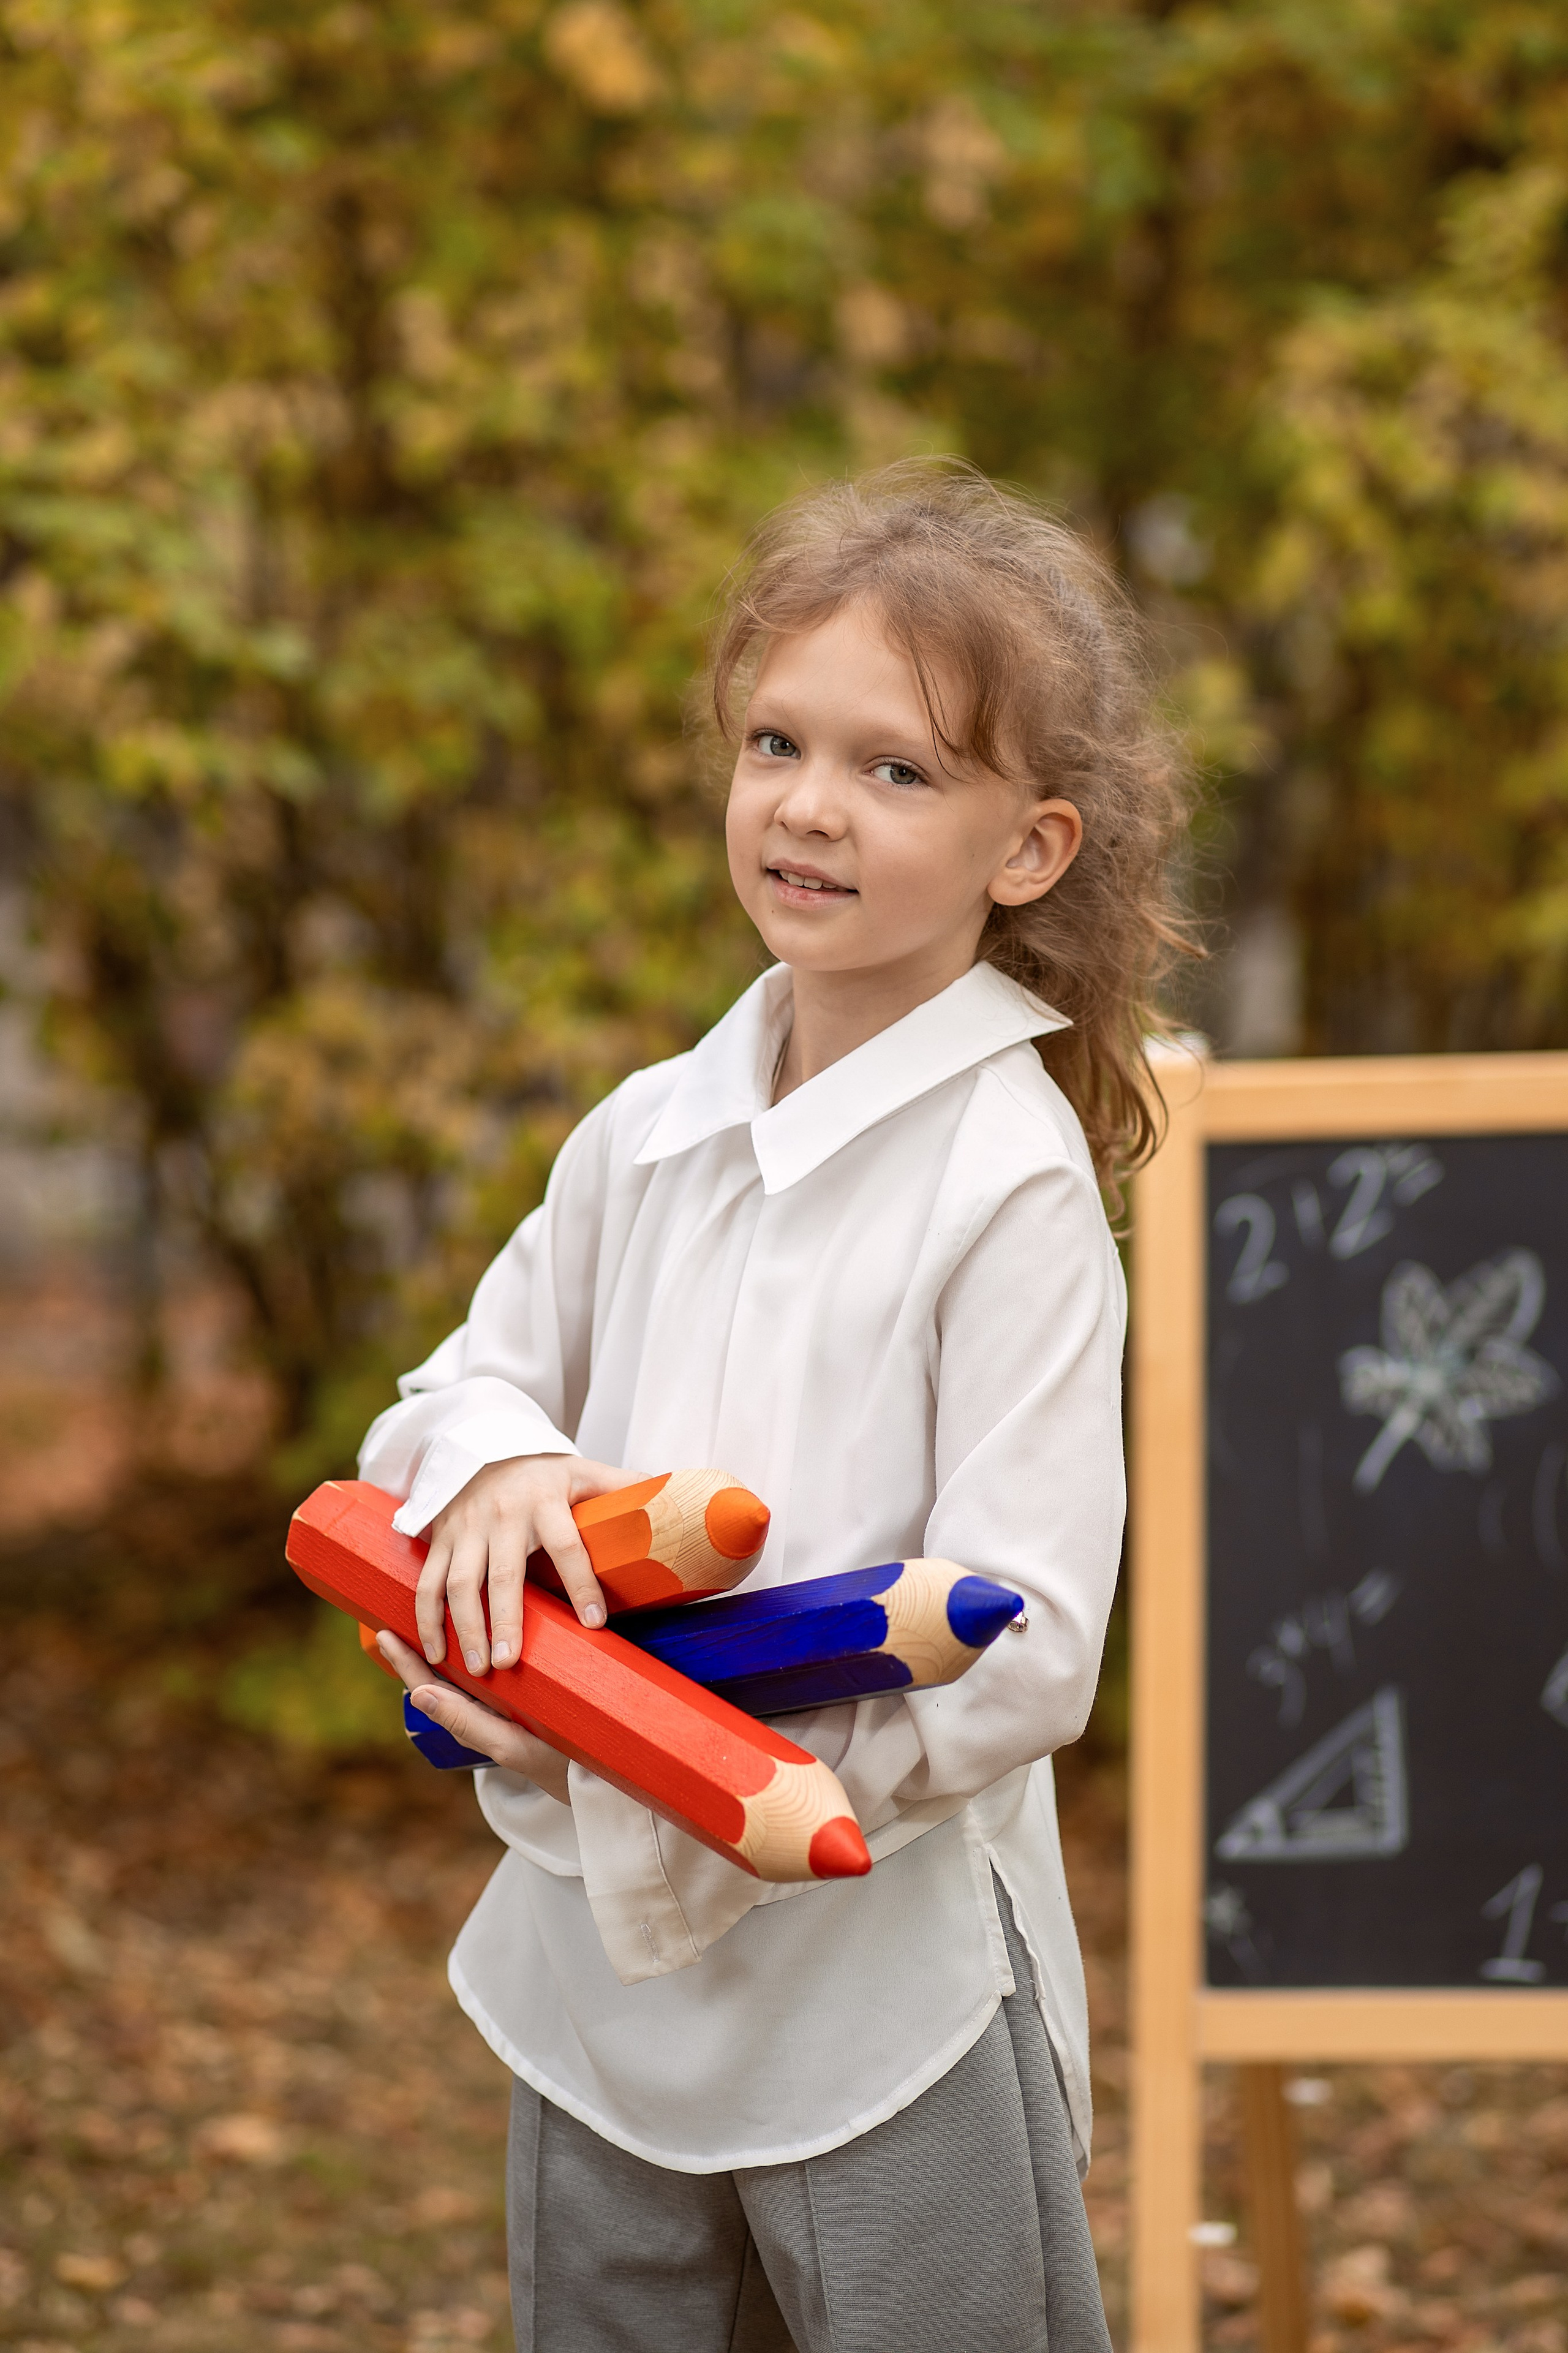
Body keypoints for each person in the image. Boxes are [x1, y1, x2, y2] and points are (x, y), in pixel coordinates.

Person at [359, 459, 1191, 2353]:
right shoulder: (644, 1131)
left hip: (873, 1972)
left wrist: (738, 1764)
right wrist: (499, 1480)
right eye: (776, 741)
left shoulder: (1012, 1179)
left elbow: (1031, 1642)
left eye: (897, 770)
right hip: (601, 1969)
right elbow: (453, 1393)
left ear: (1030, 848)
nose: (812, 805)